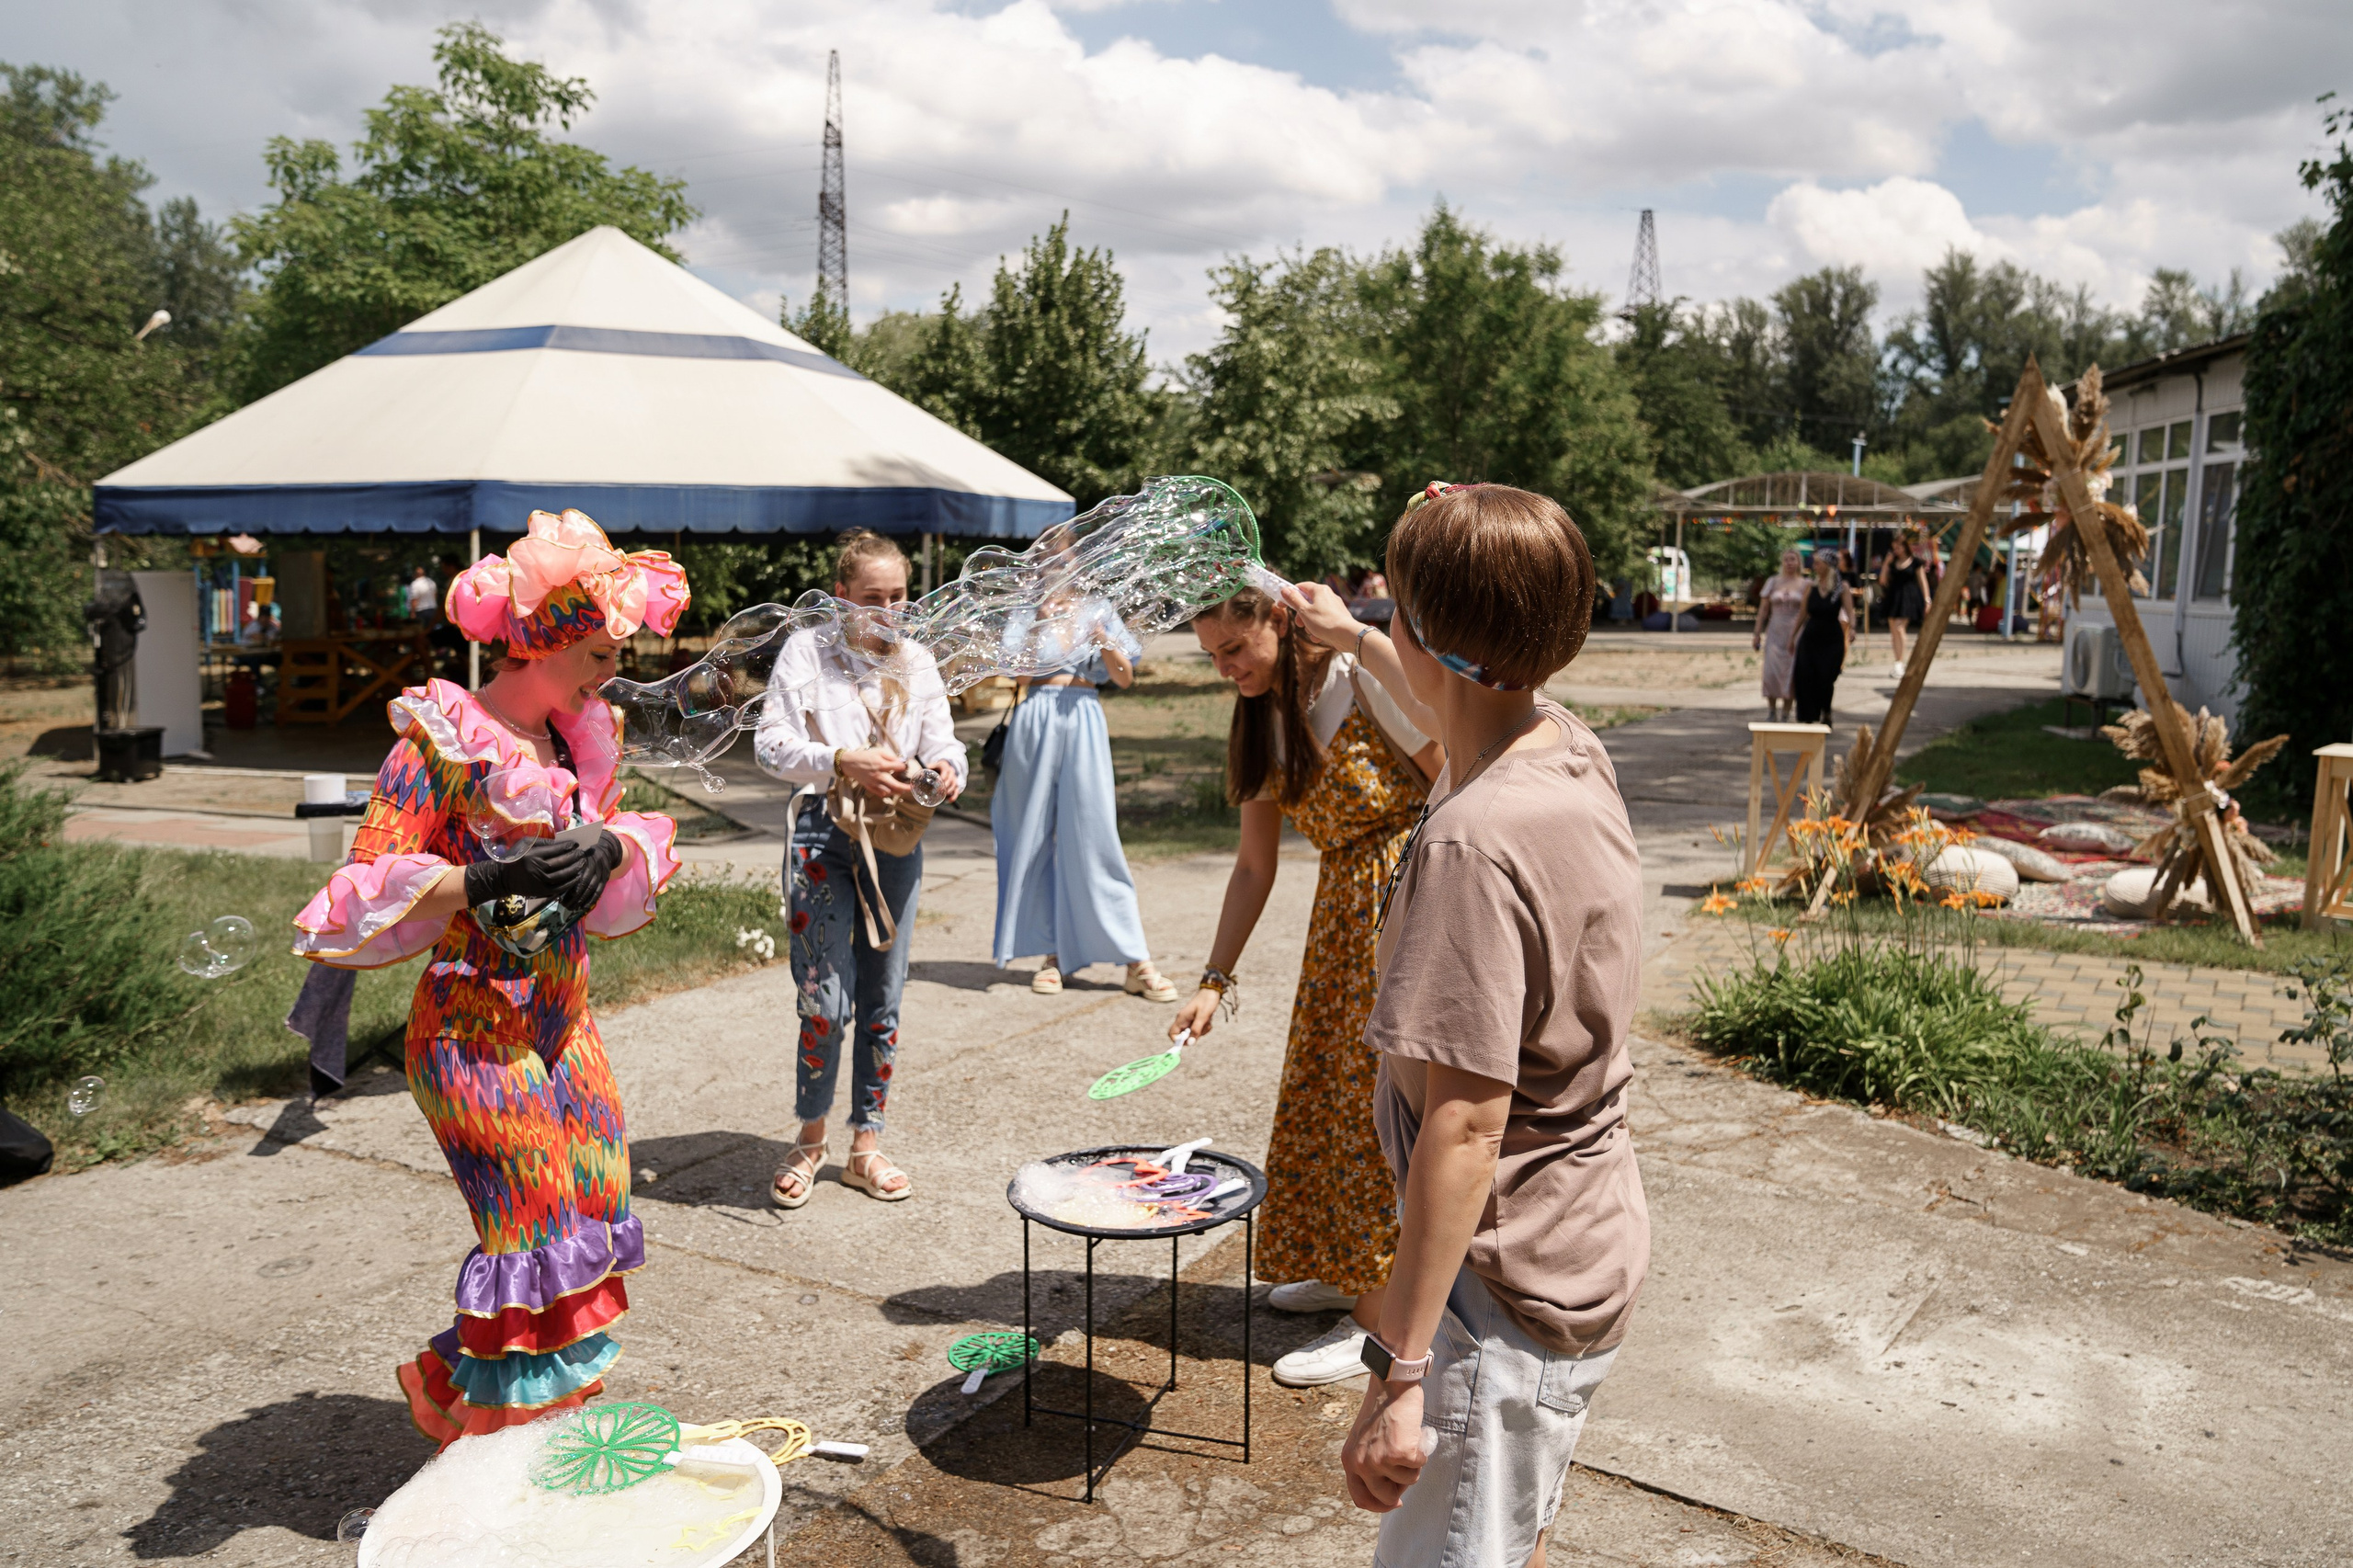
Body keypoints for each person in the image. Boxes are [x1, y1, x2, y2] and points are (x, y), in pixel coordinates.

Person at [290, 508, 690, 1449]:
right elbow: (357, 881)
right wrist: (484, 877)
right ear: (544, 639)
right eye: (598, 648)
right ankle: (516, 1458)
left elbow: (613, 879)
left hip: (563, 1018)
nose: (610, 668)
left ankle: (452, 1385)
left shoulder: (581, 739)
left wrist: (610, 842)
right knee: (536, 1230)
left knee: (594, 1195)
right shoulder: (442, 736)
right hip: (471, 1030)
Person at [1331, 482, 1647, 1567]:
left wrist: (1399, 1372)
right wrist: (1440, 565)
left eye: (1391, 610)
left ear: (1418, 633)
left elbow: (1464, 1129)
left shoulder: (1472, 843)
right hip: (1581, 1238)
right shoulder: (1560, 741)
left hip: (1498, 1295)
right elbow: (1459, 696)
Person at [1176, 581, 1439, 1387]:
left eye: (1234, 648)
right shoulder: (1259, 716)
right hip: (1339, 918)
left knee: (1379, 1109)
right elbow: (1254, 866)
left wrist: (1356, 634)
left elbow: (1450, 763)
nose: (1225, 668)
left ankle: (1379, 1315)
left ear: (1279, 621)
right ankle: (1345, 1266)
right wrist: (1214, 981)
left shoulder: (1357, 679)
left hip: (1405, 896)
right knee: (1329, 1097)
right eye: (1212, 655)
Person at [754, 530, 969, 1210]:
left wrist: (946, 771)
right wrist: (842, 759)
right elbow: (770, 746)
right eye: (872, 598)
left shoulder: (918, 660)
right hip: (820, 832)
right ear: (840, 597)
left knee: (884, 998)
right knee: (823, 1000)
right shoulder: (805, 652)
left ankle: (864, 1146)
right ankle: (810, 1139)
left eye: (899, 598)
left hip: (893, 837)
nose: (888, 611)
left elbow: (945, 743)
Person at [990, 586, 1176, 1000]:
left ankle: (1134, 958)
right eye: (1049, 559)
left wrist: (1103, 637)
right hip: (1036, 715)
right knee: (1034, 839)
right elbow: (1019, 676)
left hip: (1085, 713)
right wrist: (1039, 621)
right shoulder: (1028, 610)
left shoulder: (1100, 607)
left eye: (1065, 555)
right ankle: (1052, 956)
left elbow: (1124, 678)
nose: (1058, 567)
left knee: (1095, 838)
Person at [1792, 549, 1854, 727]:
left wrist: (1853, 628)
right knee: (1806, 676)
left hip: (1831, 639)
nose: (1814, 566)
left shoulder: (1841, 588)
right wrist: (1792, 636)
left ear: (1828, 565)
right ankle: (1808, 716)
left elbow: (1850, 612)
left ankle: (1825, 710)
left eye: (1818, 562)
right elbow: (1802, 614)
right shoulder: (1810, 587)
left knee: (1826, 678)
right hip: (1810, 638)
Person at [1753, 548, 1807, 722]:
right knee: (1771, 670)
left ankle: (1786, 712)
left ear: (1799, 562)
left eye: (1793, 559)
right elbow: (1763, 610)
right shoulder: (1773, 581)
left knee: (1790, 671)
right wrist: (1757, 633)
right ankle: (1771, 710)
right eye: (1787, 560)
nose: (1790, 563)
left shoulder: (1806, 584)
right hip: (1775, 630)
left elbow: (1808, 611)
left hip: (1795, 631)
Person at [1878, 532, 1927, 677]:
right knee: (1894, 631)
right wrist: (1886, 563)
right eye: (1894, 548)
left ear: (1905, 547)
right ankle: (1898, 662)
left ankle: (1901, 662)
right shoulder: (1892, 563)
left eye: (1898, 547)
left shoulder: (1916, 562)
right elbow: (1882, 581)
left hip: (1909, 598)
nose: (1896, 550)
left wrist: (1927, 599)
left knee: (1899, 628)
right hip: (1893, 597)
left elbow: (1923, 581)